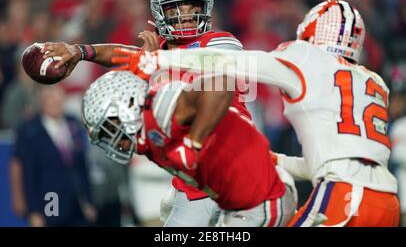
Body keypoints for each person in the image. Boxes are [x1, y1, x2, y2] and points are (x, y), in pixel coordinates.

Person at [115, 0, 400, 227]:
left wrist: (159, 58)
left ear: (311, 33)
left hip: (345, 197)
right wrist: (278, 160)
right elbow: (337, 159)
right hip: (388, 203)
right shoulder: (374, 82)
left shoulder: (306, 55)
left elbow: (230, 62)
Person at [41, 0, 250, 226]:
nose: (186, 16)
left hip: (228, 162)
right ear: (161, 15)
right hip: (194, 176)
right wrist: (81, 51)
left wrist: (153, 63)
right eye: (176, 10)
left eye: (192, 7)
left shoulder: (220, 42)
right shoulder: (160, 54)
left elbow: (200, 77)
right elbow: (125, 56)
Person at [81, 70, 297, 227]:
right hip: (235, 201)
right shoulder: (144, 135)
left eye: (110, 127)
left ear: (127, 107)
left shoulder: (161, 108)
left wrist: (194, 143)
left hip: (259, 202)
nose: (112, 140)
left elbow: (220, 83)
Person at [14, 85, 96, 227]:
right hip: (51, 199)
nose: (56, 102)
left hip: (75, 201)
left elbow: (82, 166)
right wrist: (34, 211)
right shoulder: (30, 130)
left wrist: (88, 200)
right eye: (51, 99)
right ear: (42, 102)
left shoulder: (73, 123)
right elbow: (28, 173)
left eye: (58, 98)